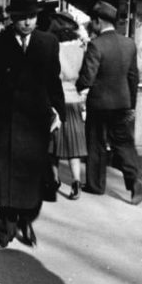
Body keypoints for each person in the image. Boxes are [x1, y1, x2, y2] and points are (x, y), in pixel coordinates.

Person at [0, 0, 65, 249]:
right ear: (12, 18)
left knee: (30, 176)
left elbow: (53, 82)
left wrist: (59, 112)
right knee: (4, 175)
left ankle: (26, 220)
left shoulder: (48, 43)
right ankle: (5, 229)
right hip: (4, 120)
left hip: (36, 121)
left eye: (32, 17)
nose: (27, 23)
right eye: (22, 18)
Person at [76, 1, 142, 204]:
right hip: (122, 103)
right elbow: (133, 77)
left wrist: (77, 88)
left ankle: (96, 185)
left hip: (99, 104)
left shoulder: (96, 45)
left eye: (93, 22)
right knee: (123, 144)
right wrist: (131, 104)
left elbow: (88, 77)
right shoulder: (129, 43)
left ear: (98, 22)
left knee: (95, 143)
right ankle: (135, 182)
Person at [48, 14, 87, 200]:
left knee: (53, 145)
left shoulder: (54, 49)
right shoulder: (80, 48)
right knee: (74, 146)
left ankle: (54, 179)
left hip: (56, 101)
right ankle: (76, 181)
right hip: (75, 99)